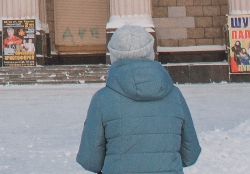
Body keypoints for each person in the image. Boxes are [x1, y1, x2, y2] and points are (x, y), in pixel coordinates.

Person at [77, 26, 201, 174]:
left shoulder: (102, 99)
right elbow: (191, 154)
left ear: (114, 56)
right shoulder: (175, 95)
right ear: (150, 52)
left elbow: (90, 160)